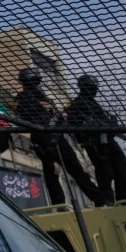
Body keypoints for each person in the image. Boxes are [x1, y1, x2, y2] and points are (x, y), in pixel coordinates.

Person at [15, 68, 106, 207]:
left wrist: (59, 116)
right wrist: (39, 106)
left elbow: (54, 114)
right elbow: (22, 112)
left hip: (56, 136)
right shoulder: (23, 98)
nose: (35, 84)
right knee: (54, 172)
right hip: (43, 138)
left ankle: (98, 199)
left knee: (74, 170)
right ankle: (61, 204)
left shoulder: (42, 96)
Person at [67, 74, 126, 203]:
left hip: (108, 141)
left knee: (124, 175)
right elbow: (73, 124)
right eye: (91, 87)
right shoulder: (75, 104)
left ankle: (124, 202)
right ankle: (107, 204)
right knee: (105, 175)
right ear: (83, 87)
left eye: (94, 87)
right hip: (94, 144)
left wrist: (111, 124)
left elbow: (105, 122)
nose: (94, 90)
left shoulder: (95, 105)